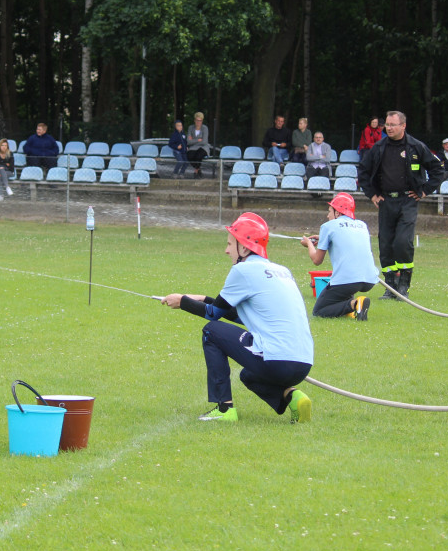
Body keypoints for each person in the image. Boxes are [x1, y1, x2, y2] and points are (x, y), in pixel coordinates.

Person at [160, 212, 314, 423]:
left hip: (277, 361)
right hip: (303, 364)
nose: (226, 250)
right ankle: (293, 397)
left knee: (211, 332)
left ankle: (224, 410)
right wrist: (203, 298)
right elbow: (241, 316)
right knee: (248, 375)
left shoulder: (243, 270)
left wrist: (182, 302)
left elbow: (213, 315)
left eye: (230, 244)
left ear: (244, 247)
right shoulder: (282, 271)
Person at [359, 110, 445, 299]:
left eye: (392, 125)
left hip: (408, 201)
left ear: (403, 126)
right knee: (386, 243)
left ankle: (404, 286)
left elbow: (438, 170)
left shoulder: (416, 146)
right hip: (386, 201)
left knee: (402, 242)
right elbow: (363, 171)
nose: (388, 128)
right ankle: (390, 287)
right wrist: (372, 194)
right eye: (387, 125)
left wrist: (424, 191)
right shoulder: (379, 147)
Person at [300, 193, 377, 320]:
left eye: (330, 211)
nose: (328, 215)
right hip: (369, 279)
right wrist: (324, 239)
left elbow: (316, 260)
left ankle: (355, 304)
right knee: (342, 291)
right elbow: (347, 240)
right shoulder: (362, 225)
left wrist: (308, 244)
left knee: (319, 311)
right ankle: (351, 309)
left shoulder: (328, 226)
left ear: (338, 213)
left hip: (348, 280)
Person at [186, 112, 211, 176]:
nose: (198, 122)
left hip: (203, 147)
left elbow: (204, 142)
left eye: (200, 121)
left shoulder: (205, 128)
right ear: (194, 120)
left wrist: (193, 140)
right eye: (197, 120)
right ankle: (198, 169)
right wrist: (198, 140)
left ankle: (196, 171)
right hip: (193, 147)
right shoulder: (190, 128)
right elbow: (188, 141)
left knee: (198, 156)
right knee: (189, 156)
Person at [0, 138, 15, 202]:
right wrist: (5, 165)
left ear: (7, 146)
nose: (4, 147)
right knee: (0, 171)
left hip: (9, 172)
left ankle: (1, 196)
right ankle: (7, 187)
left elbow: (11, 167)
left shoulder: (10, 154)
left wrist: (1, 166)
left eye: (5, 145)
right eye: (2, 145)